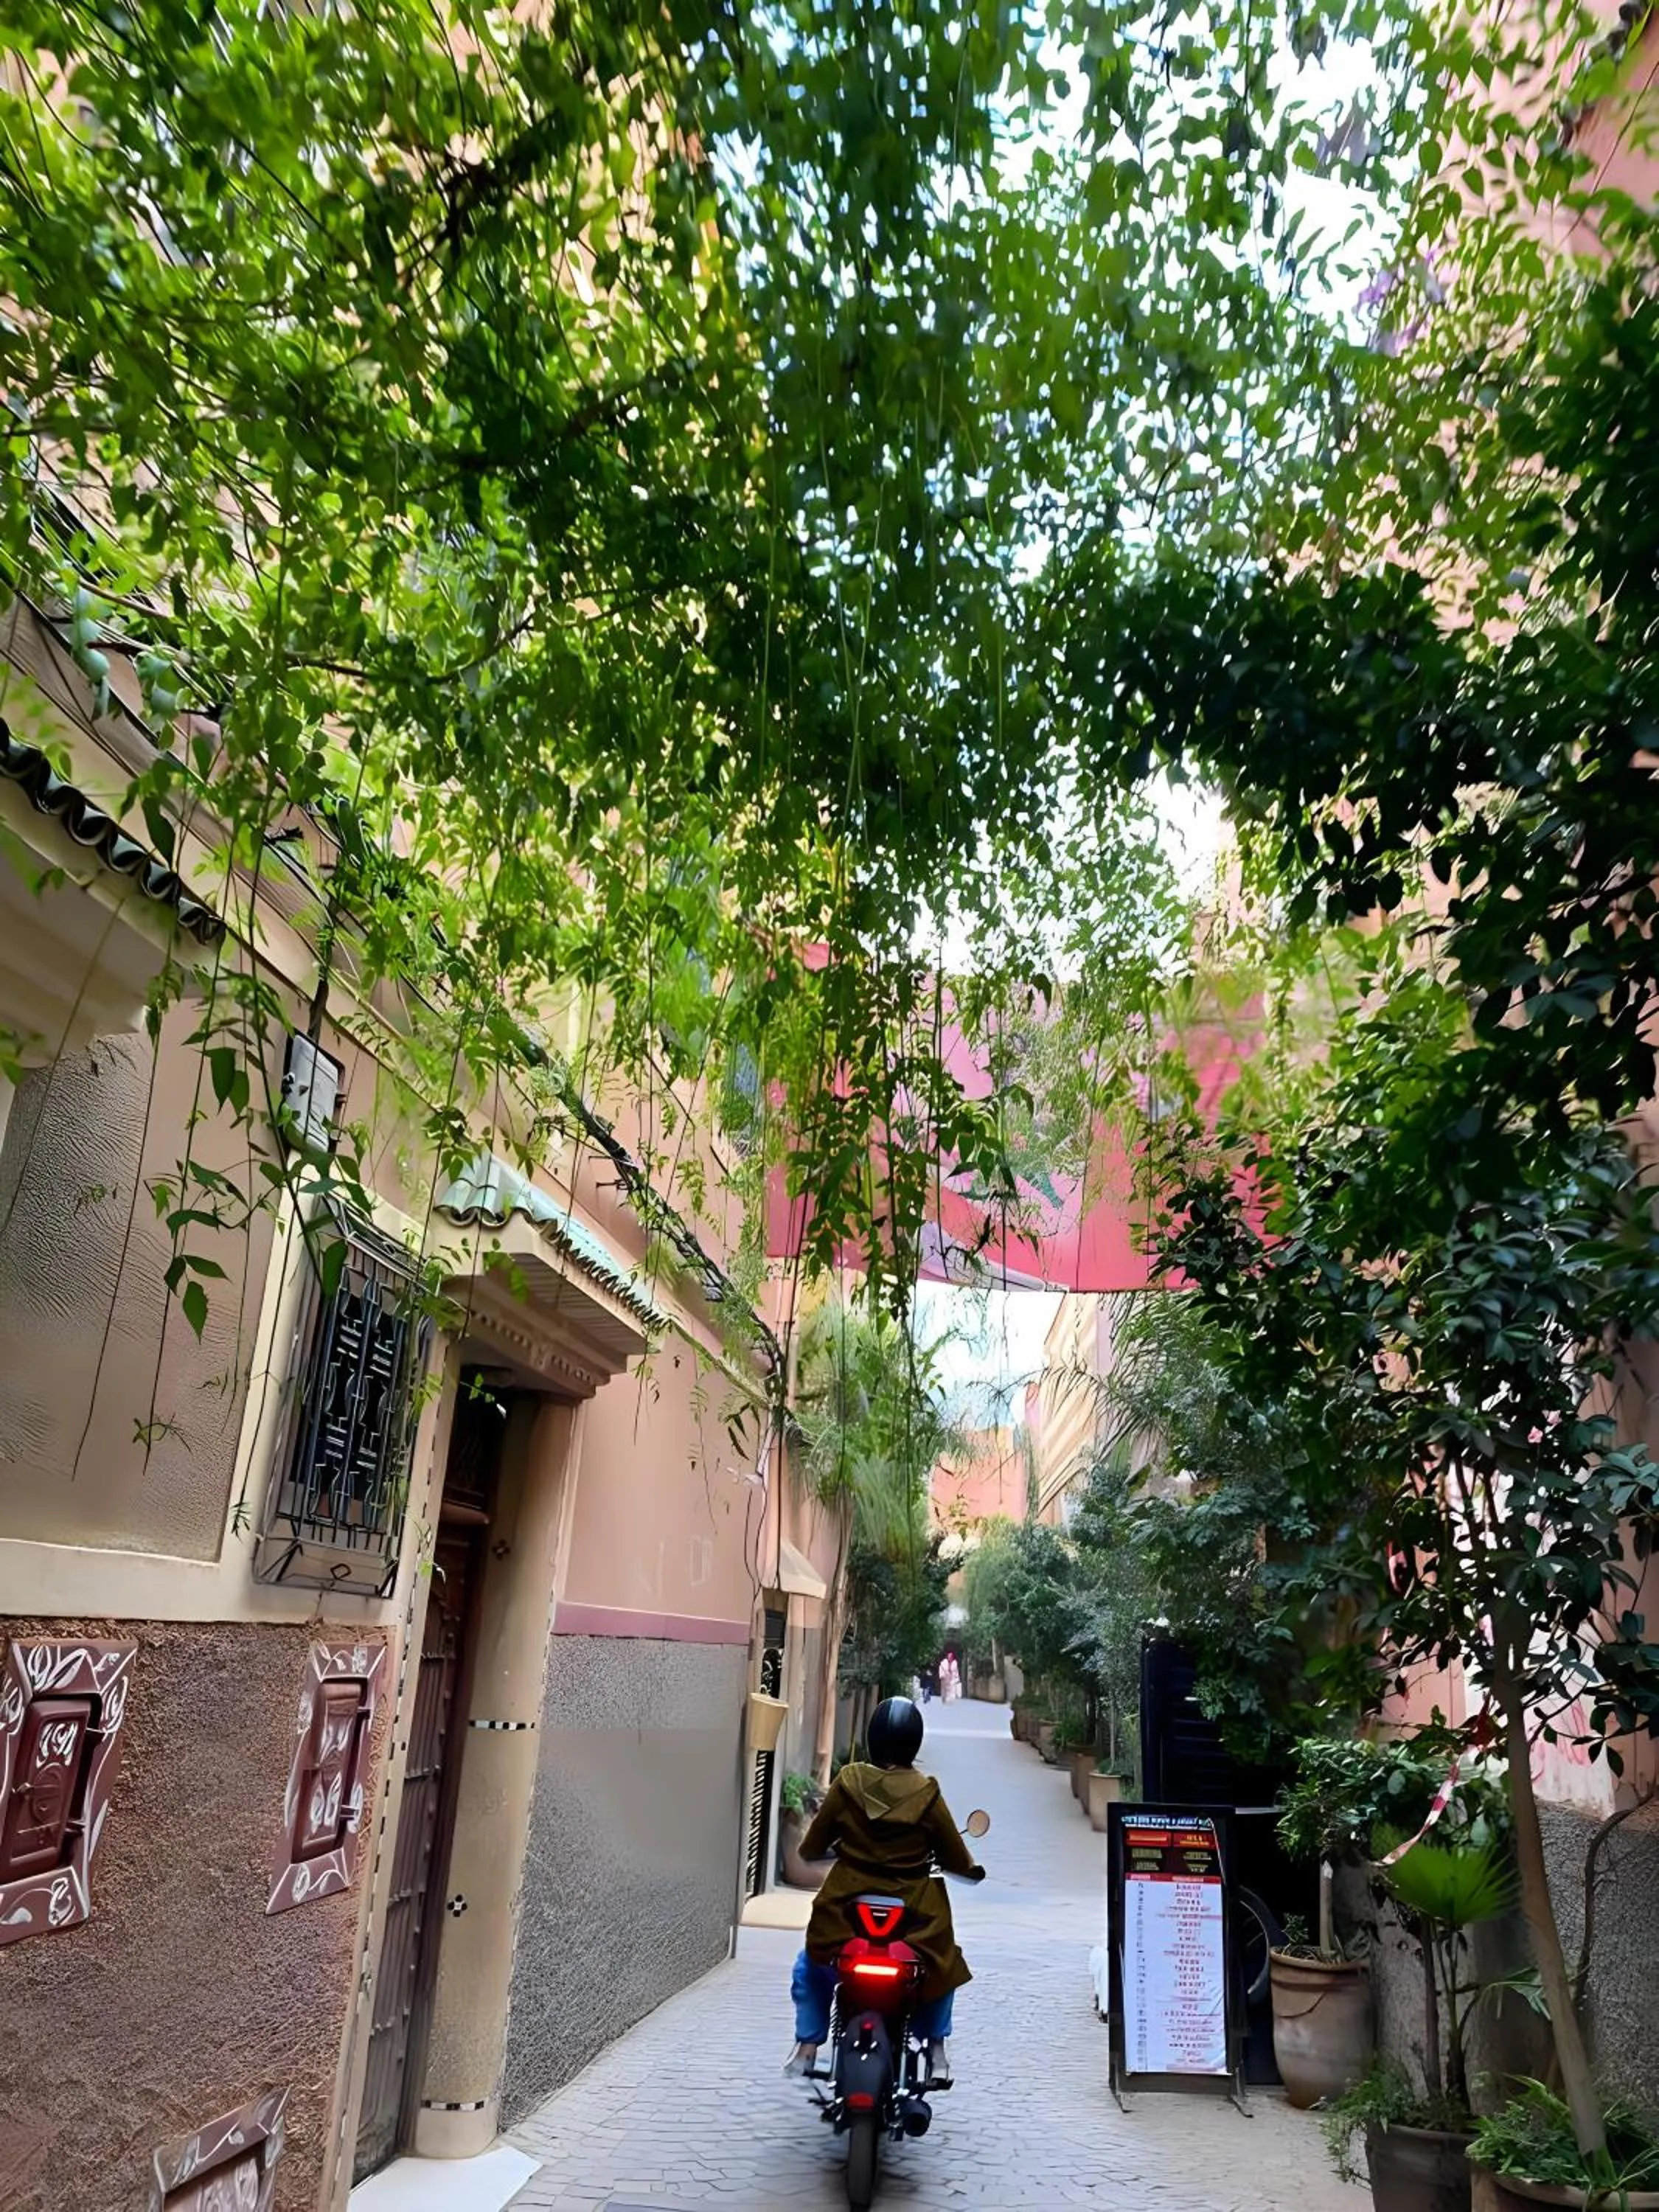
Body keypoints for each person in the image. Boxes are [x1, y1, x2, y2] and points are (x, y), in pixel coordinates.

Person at [784, 1695, 985, 2088]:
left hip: (845, 1908)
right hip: (915, 1913)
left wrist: (816, 1850)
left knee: (812, 1963)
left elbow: (812, 1845)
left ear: (874, 1738)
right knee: (942, 1966)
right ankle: (937, 2049)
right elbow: (955, 1855)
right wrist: (971, 1870)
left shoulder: (849, 1781)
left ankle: (807, 2048)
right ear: (915, 1741)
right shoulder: (927, 1793)